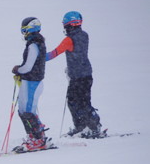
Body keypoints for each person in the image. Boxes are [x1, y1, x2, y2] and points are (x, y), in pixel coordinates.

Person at [45, 11, 103, 138]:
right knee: (84, 101)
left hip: (77, 77)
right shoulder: (85, 35)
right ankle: (88, 126)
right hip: (87, 74)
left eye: (65, 26)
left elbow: (54, 53)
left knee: (74, 101)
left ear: (69, 25)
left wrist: (39, 58)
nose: (65, 28)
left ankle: (88, 126)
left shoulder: (69, 40)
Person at [11, 17, 52, 152]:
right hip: (28, 81)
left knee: (28, 111)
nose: (24, 33)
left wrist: (18, 69)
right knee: (23, 111)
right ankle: (34, 136)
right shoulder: (35, 43)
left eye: (24, 30)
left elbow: (28, 66)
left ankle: (38, 139)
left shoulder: (34, 44)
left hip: (33, 82)